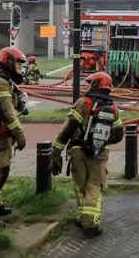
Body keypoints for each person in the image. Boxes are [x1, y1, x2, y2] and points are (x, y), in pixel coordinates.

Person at [50, 72, 124, 237]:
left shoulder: (82, 103)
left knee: (81, 185)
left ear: (96, 84)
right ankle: (90, 223)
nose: (87, 86)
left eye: (89, 83)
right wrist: (102, 143)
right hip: (99, 154)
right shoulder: (112, 108)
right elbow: (119, 134)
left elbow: (68, 130)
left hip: (77, 151)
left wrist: (56, 151)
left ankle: (84, 218)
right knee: (94, 186)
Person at [0, 47, 28, 226]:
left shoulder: (2, 80)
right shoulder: (0, 83)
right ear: (9, 61)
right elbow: (8, 113)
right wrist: (20, 136)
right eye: (18, 63)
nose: (20, 67)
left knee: (1, 169)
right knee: (1, 171)